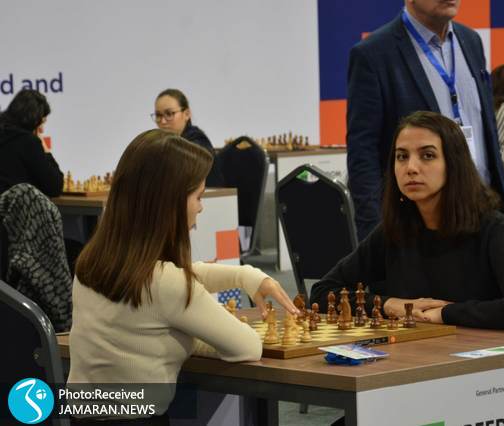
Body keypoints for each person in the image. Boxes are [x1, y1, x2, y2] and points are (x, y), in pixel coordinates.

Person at [67, 129, 298, 423]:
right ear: (170, 203)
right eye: (198, 197)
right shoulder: (168, 283)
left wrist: (245, 276)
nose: (201, 207)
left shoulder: (91, 263)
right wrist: (192, 337)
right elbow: (247, 347)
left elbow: (174, 277)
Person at [310, 111, 504, 330]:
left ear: (453, 164)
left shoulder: (492, 228)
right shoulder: (395, 229)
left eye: (427, 155)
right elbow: (322, 292)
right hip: (414, 353)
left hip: (478, 354)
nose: (411, 168)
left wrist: (445, 313)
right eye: (401, 156)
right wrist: (390, 304)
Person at [346, 0, 504, 241]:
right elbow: (363, 154)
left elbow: (486, 129)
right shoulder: (373, 54)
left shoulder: (471, 41)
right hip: (421, 226)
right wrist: (375, 238)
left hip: (483, 213)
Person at [0, 89, 63, 196]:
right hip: (15, 206)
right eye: (41, 123)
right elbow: (54, 186)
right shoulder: (28, 142)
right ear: (33, 119)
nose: (42, 129)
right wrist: (46, 150)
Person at [153, 89, 219, 186]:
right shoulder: (161, 143)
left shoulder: (198, 141)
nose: (163, 121)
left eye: (169, 114)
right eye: (158, 115)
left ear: (187, 114)